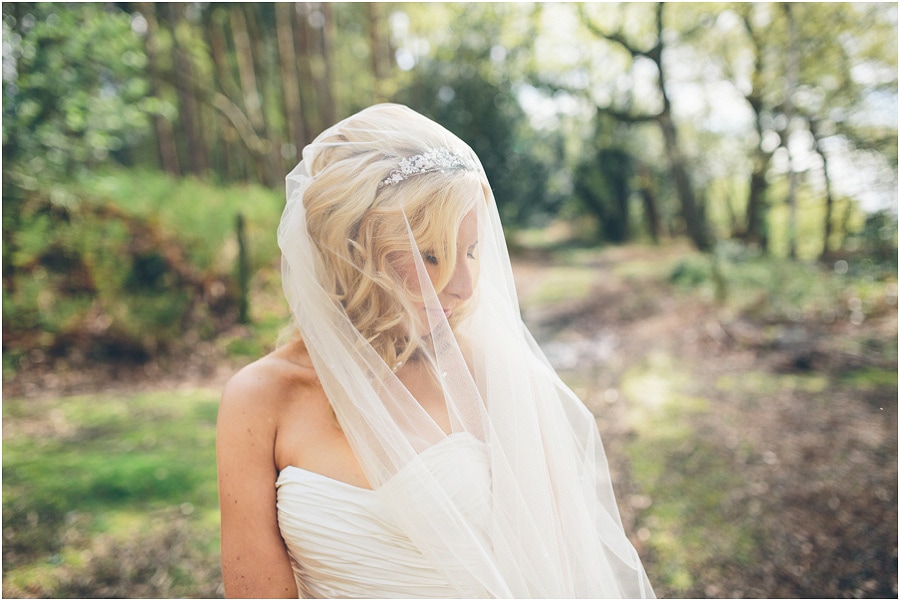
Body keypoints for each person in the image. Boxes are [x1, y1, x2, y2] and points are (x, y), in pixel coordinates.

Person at [216, 103, 654, 598]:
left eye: (471, 252)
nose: (465, 286)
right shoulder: (258, 400)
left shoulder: (491, 372)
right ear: (352, 250)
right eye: (432, 255)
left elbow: (555, 573)